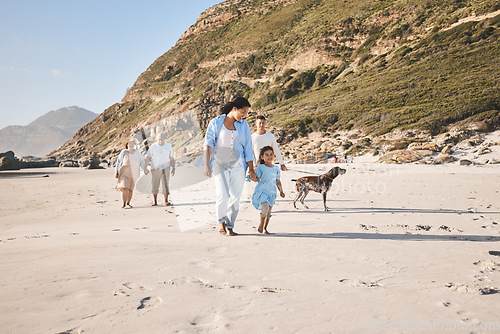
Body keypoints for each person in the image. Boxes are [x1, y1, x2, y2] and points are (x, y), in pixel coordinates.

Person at [203, 97, 255, 236]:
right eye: (243, 112)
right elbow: (208, 144)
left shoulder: (244, 125)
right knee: (222, 194)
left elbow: (248, 148)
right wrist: (207, 165)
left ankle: (230, 225)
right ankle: (221, 223)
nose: (244, 115)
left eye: (246, 113)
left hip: (239, 165)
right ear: (234, 109)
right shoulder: (216, 122)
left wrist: (251, 169)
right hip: (220, 164)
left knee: (235, 197)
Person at [251, 146, 285, 234]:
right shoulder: (260, 167)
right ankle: (261, 224)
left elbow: (278, 181)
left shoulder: (276, 169)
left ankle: (265, 229)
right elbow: (257, 179)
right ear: (262, 157)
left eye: (271, 154)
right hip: (262, 191)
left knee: (269, 212)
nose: (269, 156)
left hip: (272, 192)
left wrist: (281, 191)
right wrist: (252, 176)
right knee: (265, 208)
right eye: (266, 155)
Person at [115, 139, 147, 208]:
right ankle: (123, 203)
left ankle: (128, 203)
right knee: (124, 187)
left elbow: (141, 161)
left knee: (130, 189)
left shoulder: (137, 152)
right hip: (124, 172)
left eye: (132, 144)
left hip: (134, 173)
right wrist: (116, 171)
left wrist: (145, 169)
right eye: (129, 143)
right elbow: (118, 162)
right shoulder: (123, 152)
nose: (131, 145)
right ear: (127, 145)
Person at [145, 133, 176, 206]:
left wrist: (173, 168)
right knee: (155, 184)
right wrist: (145, 167)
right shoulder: (153, 146)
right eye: (159, 140)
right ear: (157, 140)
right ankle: (155, 201)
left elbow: (171, 158)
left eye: (162, 139)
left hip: (166, 167)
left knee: (165, 184)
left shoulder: (168, 146)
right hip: (155, 168)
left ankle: (166, 201)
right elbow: (148, 158)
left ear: (164, 139)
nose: (161, 141)